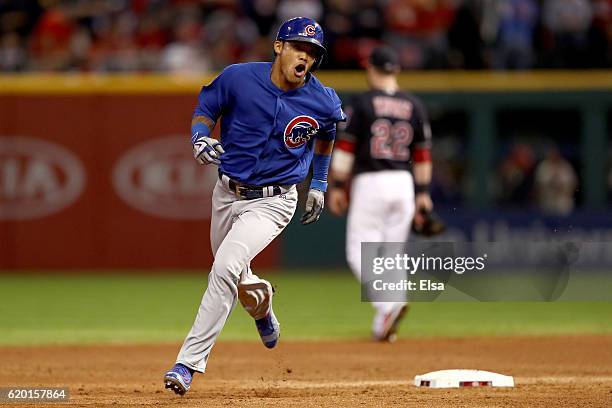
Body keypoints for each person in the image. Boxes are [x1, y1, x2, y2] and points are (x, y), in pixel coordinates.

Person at [163, 17, 346, 395]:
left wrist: (320, 182)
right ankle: (263, 310)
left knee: (225, 267)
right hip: (226, 193)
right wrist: (199, 136)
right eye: (299, 47)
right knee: (236, 275)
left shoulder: (322, 99)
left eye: (313, 53)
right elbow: (206, 106)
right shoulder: (239, 78)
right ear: (279, 47)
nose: (305, 57)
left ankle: (187, 364)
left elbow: (329, 131)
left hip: (275, 201)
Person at [328, 46, 434, 342]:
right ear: (396, 70)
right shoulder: (414, 104)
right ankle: (384, 323)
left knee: (358, 252)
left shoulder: (362, 102)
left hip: (371, 181)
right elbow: (423, 154)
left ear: (371, 69)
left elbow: (347, 148)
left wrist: (337, 185)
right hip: (404, 183)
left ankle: (387, 305)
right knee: (392, 255)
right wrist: (423, 193)